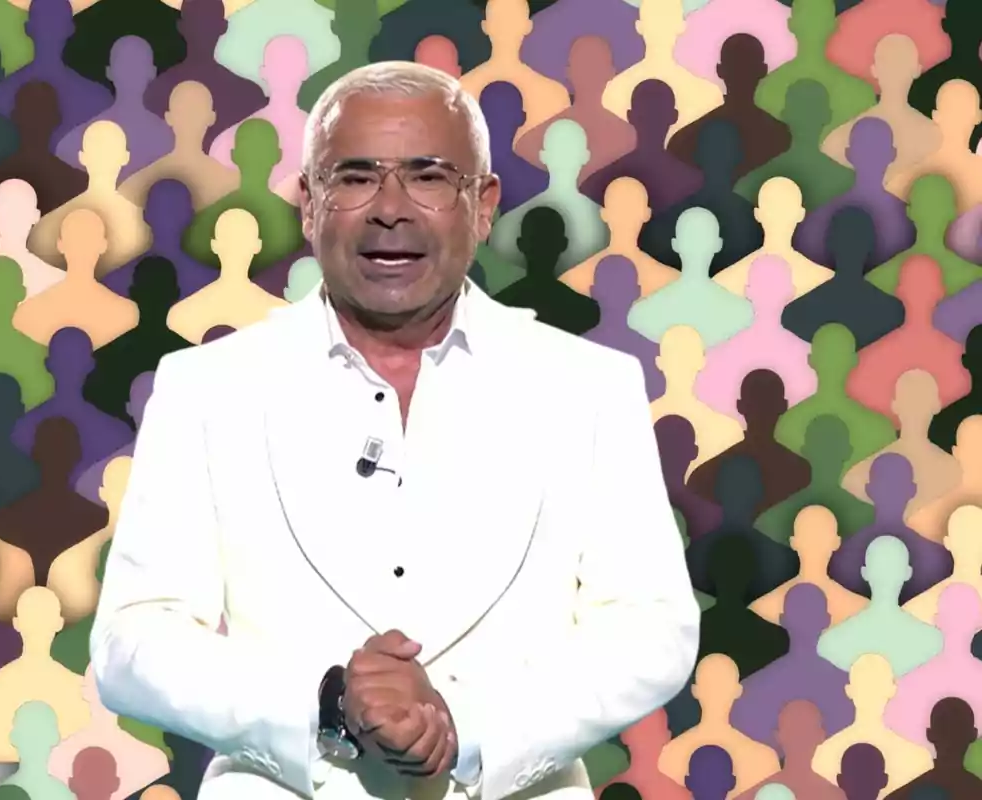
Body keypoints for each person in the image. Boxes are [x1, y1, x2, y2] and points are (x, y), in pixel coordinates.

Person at [90, 60, 699, 800]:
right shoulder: (206, 388)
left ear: (482, 204)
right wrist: (325, 706)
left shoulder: (589, 386)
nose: (390, 208)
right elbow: (131, 644)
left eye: (429, 176)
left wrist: (466, 726)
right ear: (310, 204)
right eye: (355, 177)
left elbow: (650, 630)